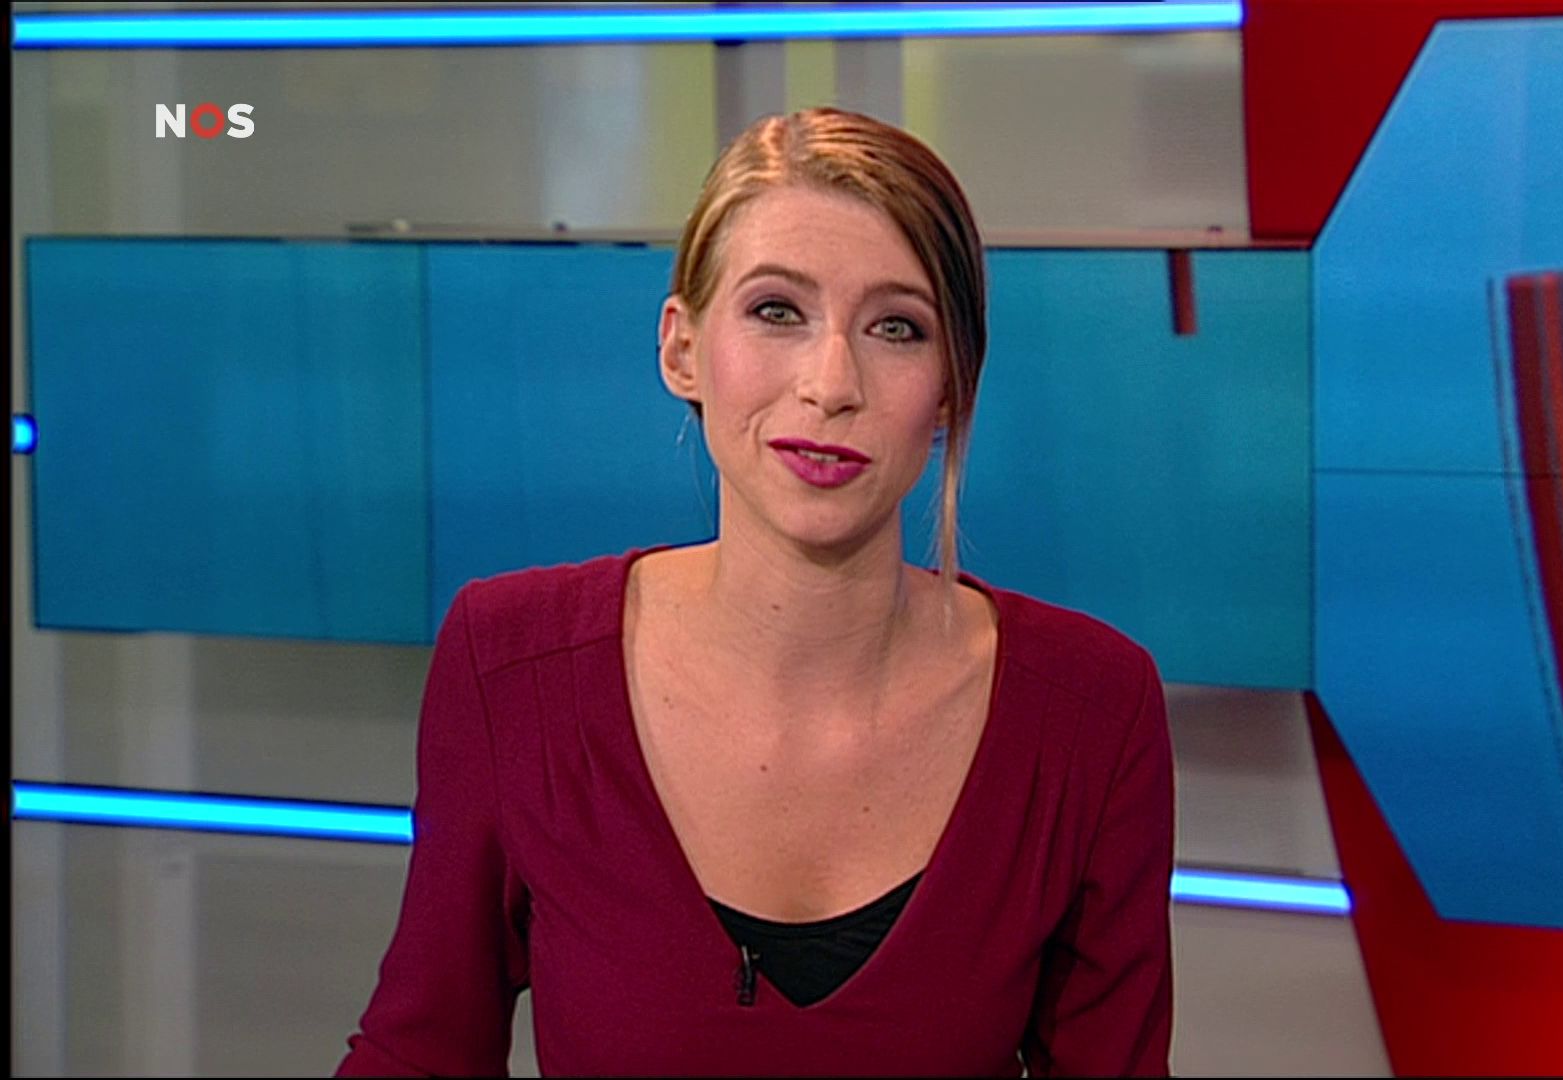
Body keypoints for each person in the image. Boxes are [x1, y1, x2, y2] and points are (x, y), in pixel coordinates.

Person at [336, 106, 1174, 1078]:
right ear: (683, 349)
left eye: (896, 328)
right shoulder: (512, 663)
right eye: (778, 311)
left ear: (949, 388)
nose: (831, 383)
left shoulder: (1090, 710)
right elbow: (419, 1053)